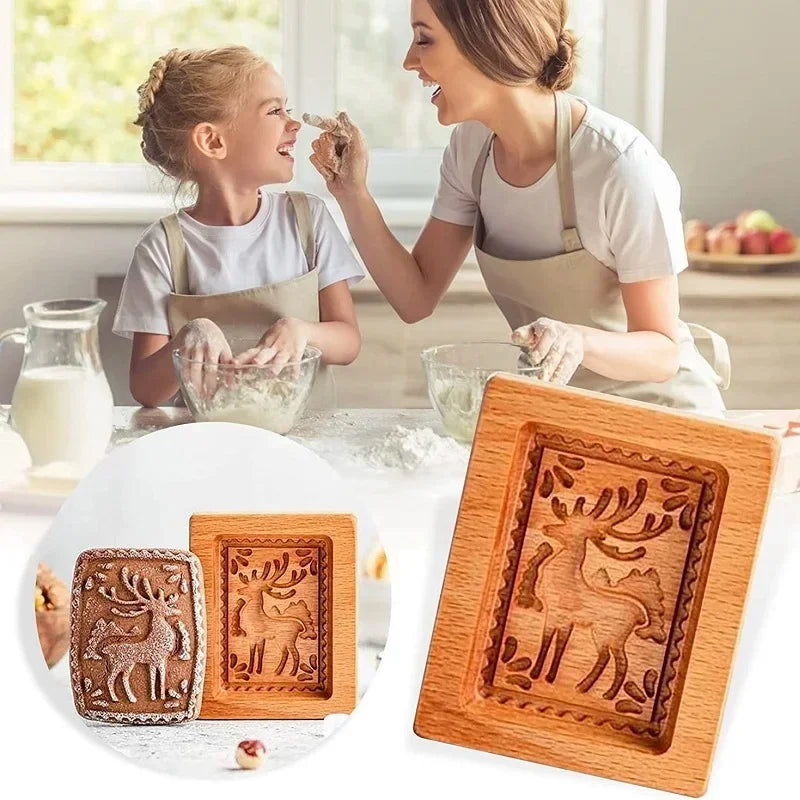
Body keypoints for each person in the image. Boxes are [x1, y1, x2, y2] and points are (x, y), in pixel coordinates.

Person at [308, 0, 729, 411]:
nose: (409, 61)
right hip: (565, 412)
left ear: (489, 41)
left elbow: (662, 352)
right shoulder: (471, 150)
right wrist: (352, 192)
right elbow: (414, 298)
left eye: (424, 39)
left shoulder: (619, 167)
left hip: (662, 415)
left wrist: (577, 341)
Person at [113, 45, 363, 408]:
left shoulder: (308, 219)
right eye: (274, 111)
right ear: (213, 141)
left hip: (307, 435)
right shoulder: (162, 247)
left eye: (287, 109)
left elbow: (349, 341)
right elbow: (145, 389)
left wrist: (301, 332)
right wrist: (188, 337)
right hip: (206, 437)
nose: (293, 124)